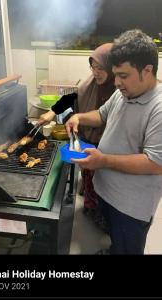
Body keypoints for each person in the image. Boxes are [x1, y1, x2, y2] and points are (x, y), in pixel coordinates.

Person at [65, 29, 162, 254]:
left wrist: (104, 160)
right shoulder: (124, 92)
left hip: (131, 206)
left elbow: (156, 163)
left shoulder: (158, 107)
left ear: (147, 70)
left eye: (124, 75)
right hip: (107, 191)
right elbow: (102, 115)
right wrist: (78, 116)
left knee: (128, 246)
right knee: (116, 241)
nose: (116, 82)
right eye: (115, 74)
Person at [38, 43, 115, 228]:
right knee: (89, 175)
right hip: (89, 139)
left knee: (105, 181)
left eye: (101, 68)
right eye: (93, 67)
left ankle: (104, 215)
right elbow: (71, 98)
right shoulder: (90, 84)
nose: (96, 72)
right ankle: (90, 206)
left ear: (113, 67)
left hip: (110, 144)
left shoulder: (121, 89)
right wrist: (51, 112)